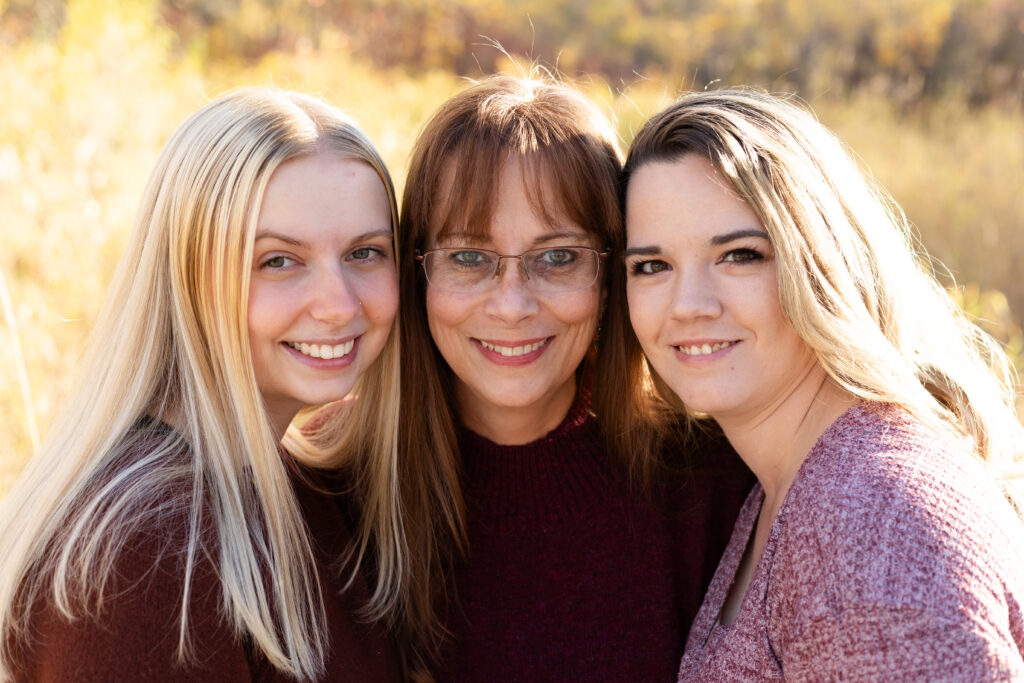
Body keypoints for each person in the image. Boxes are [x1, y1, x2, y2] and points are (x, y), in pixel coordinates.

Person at [0, 87, 408, 681]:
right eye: (278, 261)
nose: (339, 304)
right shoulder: (146, 553)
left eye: (365, 253)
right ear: (189, 277)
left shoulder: (304, 484)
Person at [620, 88, 1024, 680]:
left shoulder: (872, 526)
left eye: (739, 255)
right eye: (651, 266)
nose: (688, 306)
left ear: (823, 261)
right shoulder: (792, 484)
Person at [396, 73, 753, 682]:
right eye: (468, 257)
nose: (512, 307)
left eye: (558, 257)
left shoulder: (714, 482)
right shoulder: (339, 493)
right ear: (418, 272)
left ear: (612, 275)